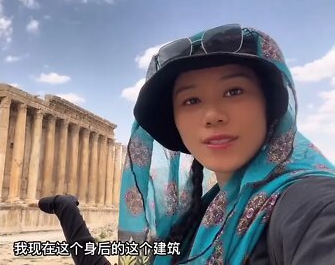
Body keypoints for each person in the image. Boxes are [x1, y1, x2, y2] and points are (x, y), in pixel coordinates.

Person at [39, 24, 335, 264]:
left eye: (234, 91)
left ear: (269, 106)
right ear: (176, 123)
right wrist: (70, 216)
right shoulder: (200, 216)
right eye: (191, 100)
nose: (212, 115)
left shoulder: (310, 205)